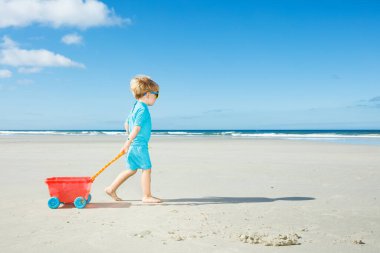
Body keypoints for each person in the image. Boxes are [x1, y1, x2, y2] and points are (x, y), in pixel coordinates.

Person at [105, 75, 161, 203]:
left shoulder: (135, 106)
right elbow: (136, 128)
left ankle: (111, 188)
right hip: (138, 145)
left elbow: (126, 124)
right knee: (146, 169)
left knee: (131, 170)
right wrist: (128, 142)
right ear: (148, 94)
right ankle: (146, 196)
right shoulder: (143, 109)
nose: (156, 98)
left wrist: (129, 141)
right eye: (156, 94)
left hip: (133, 145)